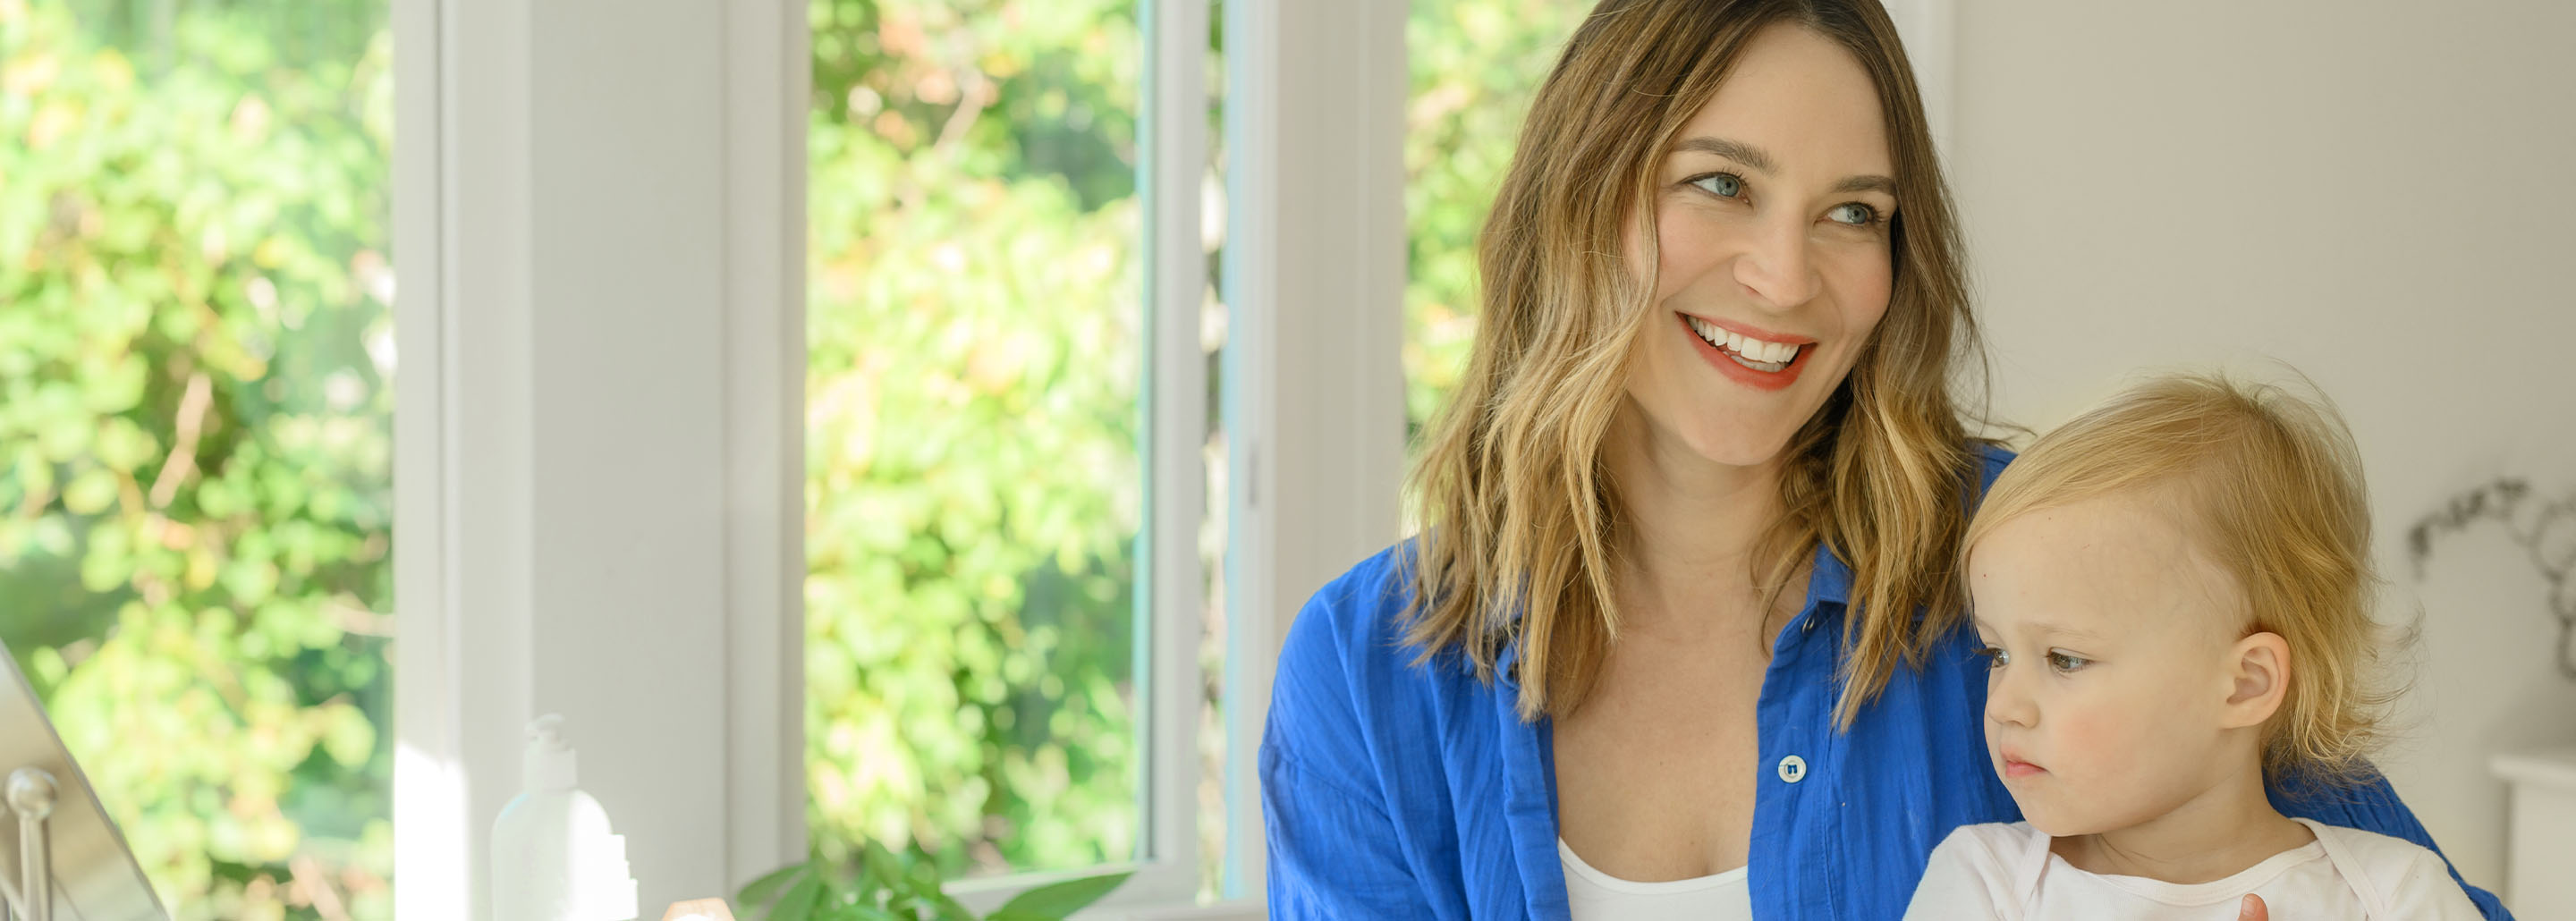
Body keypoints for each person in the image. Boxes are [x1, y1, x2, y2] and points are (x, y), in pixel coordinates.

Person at [1257, 0, 2512, 917]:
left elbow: (2361, 875)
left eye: (1853, 212)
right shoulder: (1370, 674)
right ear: (1577, 201)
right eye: (1719, 185)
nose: (1787, 277)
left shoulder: (2054, 567)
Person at [1902, 373, 2483, 920]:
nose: (2004, 704)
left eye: (2065, 659)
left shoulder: (2395, 897)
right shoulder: (1985, 886)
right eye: (1996, 654)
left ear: (2245, 684)